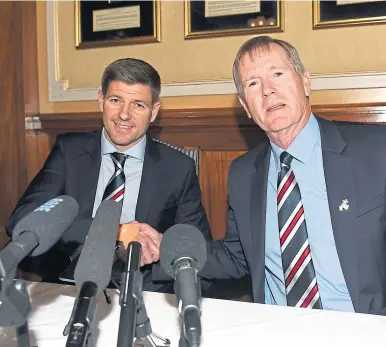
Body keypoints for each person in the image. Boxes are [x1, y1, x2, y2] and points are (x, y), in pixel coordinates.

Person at [139, 35, 386, 315]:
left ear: (305, 82)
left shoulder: (375, 151)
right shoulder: (244, 173)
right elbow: (237, 258)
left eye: (277, 74)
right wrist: (168, 248)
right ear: (246, 106)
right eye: (253, 84)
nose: (268, 91)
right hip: (277, 330)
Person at [6, 58, 211, 293]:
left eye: (138, 105)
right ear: (101, 100)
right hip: (67, 287)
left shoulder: (178, 169)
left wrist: (161, 248)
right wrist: (117, 231)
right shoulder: (69, 153)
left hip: (142, 292)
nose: (124, 115)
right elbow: (21, 222)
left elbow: (199, 251)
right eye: (116, 100)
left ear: (154, 112)